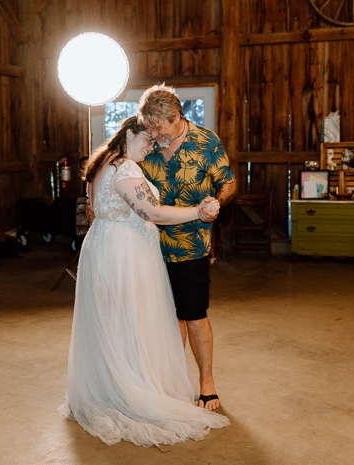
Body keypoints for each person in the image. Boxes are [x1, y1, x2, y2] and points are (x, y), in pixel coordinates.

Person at [61, 116, 229, 447]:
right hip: (122, 256)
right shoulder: (124, 169)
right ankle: (130, 391)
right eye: (147, 141)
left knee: (113, 322)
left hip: (104, 249)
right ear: (129, 135)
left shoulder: (101, 165)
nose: (151, 146)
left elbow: (96, 209)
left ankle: (110, 385)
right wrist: (198, 212)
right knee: (129, 321)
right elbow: (152, 212)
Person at [137, 84, 236, 412]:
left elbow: (229, 182)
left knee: (192, 313)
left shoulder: (206, 142)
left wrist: (216, 202)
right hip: (148, 243)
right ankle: (171, 380)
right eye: (148, 126)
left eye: (158, 126)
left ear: (177, 117)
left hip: (190, 243)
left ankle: (206, 381)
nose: (153, 132)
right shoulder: (146, 142)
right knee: (164, 316)